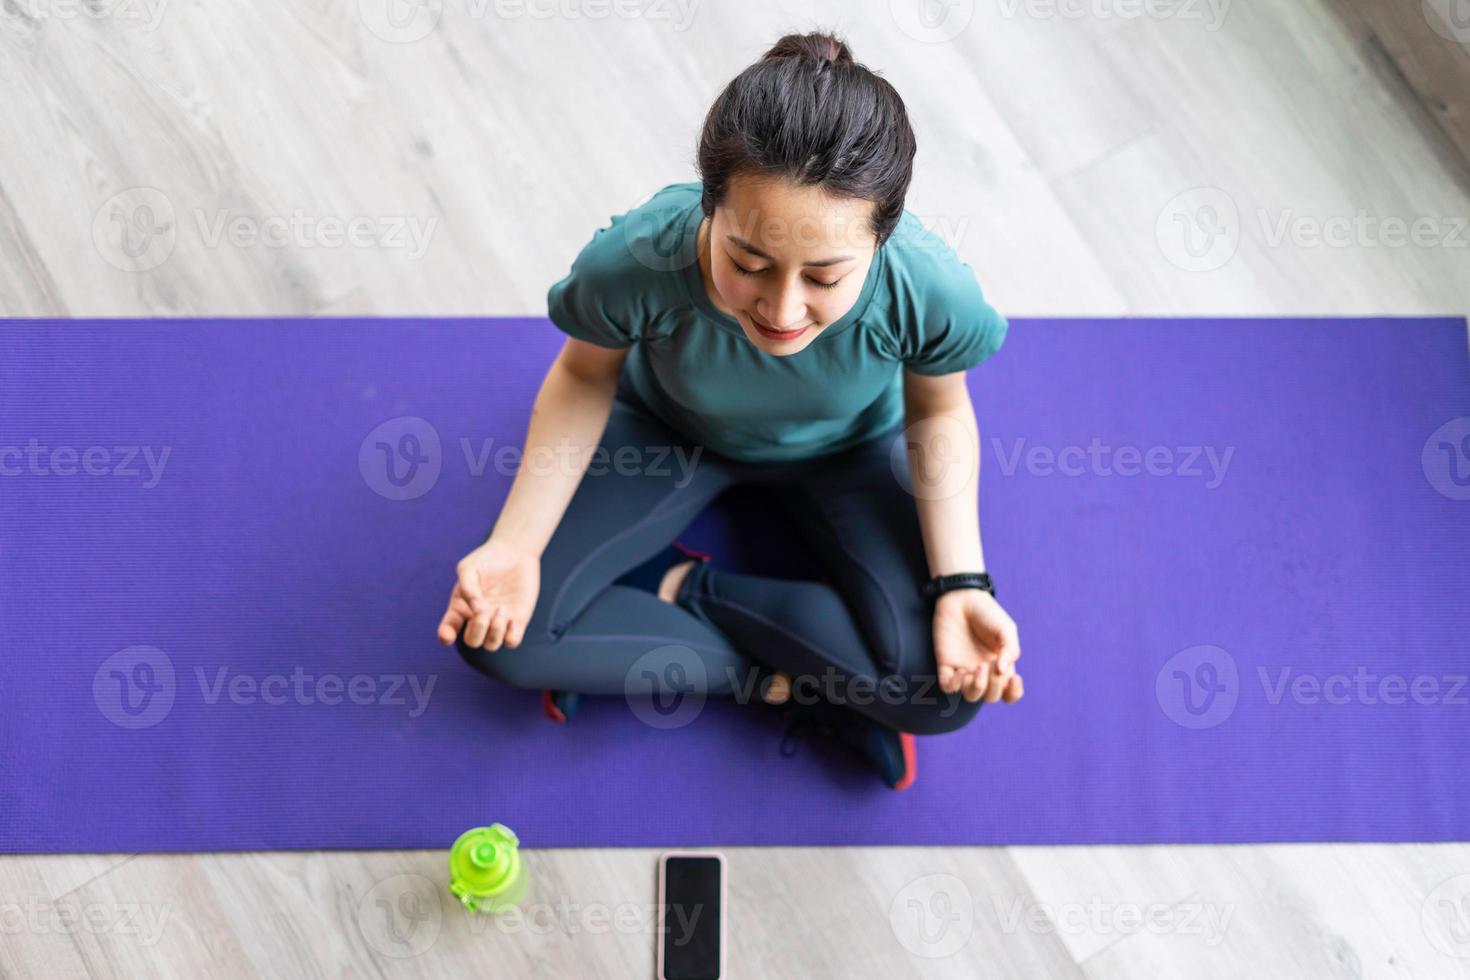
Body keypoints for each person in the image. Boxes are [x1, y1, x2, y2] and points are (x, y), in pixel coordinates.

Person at [437, 30, 1023, 790]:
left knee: (944, 693)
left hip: (846, 451)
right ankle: (790, 678)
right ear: (709, 206)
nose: (782, 309)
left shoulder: (931, 289)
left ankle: (681, 594)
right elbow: (583, 377)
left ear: (882, 239)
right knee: (497, 638)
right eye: (748, 262)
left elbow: (939, 411)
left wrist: (962, 587)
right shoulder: (638, 259)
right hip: (673, 432)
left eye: (825, 276)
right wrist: (516, 545)